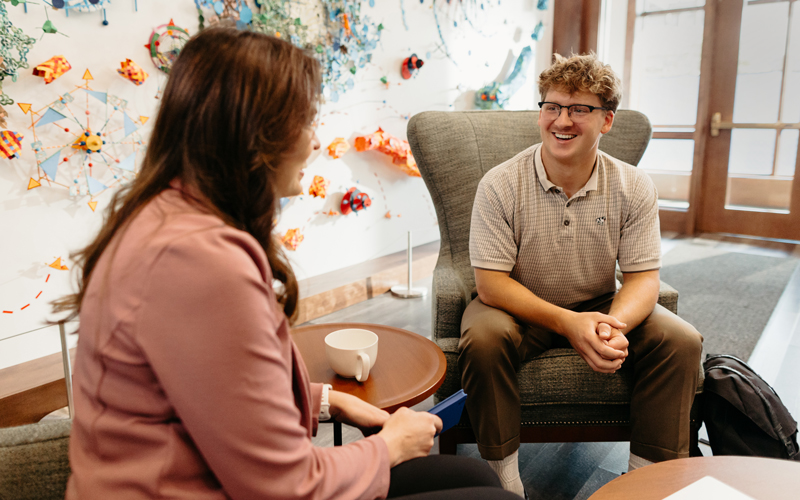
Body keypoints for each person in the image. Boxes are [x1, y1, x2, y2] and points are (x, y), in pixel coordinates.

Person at [55, 28, 518, 500]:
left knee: (475, 478)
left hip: (208, 471)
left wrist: (326, 400)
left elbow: (214, 389)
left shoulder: (165, 218)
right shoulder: (197, 263)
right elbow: (284, 485)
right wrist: (391, 448)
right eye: (306, 122)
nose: (315, 141)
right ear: (257, 135)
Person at [459, 53, 704, 497]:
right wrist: (569, 324)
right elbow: (490, 284)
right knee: (483, 340)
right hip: (518, 304)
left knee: (682, 341)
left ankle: (646, 483)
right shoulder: (499, 183)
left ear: (607, 120)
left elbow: (643, 278)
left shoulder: (633, 185)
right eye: (552, 107)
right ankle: (504, 482)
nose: (561, 121)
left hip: (598, 304)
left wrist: (612, 326)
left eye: (579, 109)